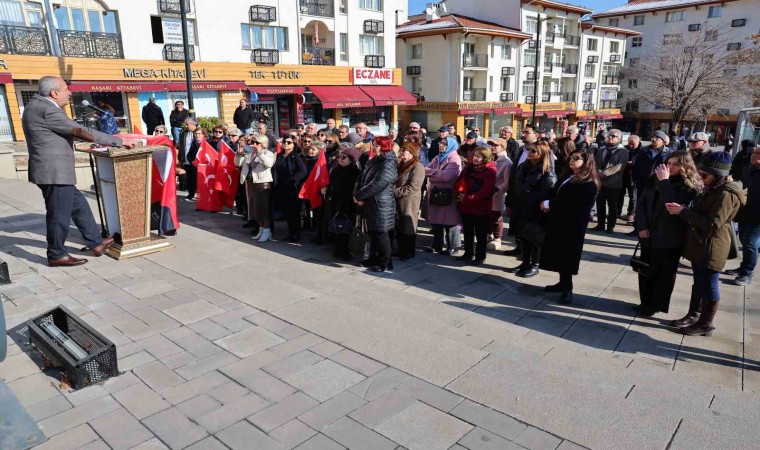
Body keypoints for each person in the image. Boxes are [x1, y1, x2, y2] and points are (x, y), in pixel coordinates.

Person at [22, 76, 138, 267]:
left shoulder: (38, 105)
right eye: (66, 89)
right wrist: (119, 141)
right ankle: (56, 253)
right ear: (54, 93)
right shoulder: (46, 109)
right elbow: (78, 130)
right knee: (59, 214)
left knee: (79, 205)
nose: (70, 93)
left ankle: (95, 242)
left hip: (54, 170)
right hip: (54, 171)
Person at [667, 151, 746, 335]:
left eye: (705, 175)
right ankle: (694, 315)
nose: (701, 178)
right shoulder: (713, 188)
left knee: (709, 285)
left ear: (719, 175)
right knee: (699, 282)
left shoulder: (727, 194)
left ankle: (706, 324)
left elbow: (713, 224)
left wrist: (683, 212)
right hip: (701, 243)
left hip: (713, 246)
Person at [634, 151, 701, 316]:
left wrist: (665, 182)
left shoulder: (689, 186)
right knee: (645, 270)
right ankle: (645, 302)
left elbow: (671, 205)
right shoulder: (654, 179)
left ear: (685, 166)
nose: (670, 167)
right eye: (668, 163)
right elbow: (641, 203)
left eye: (675, 164)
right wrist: (641, 227)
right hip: (649, 234)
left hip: (670, 237)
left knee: (663, 273)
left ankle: (657, 304)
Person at [539, 150, 600, 304]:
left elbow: (573, 204)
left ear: (586, 161)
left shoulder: (588, 182)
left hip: (572, 225)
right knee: (559, 254)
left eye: (576, 159)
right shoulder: (568, 175)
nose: (571, 161)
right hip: (559, 221)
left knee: (567, 257)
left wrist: (549, 204)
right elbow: (557, 192)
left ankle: (567, 289)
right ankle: (562, 283)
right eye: (570, 158)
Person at [504, 141, 557, 277]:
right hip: (520, 207)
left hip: (534, 211)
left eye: (534, 151)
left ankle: (535, 264)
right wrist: (509, 202)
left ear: (542, 155)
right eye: (529, 150)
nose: (530, 153)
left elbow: (548, 194)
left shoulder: (547, 173)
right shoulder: (523, 167)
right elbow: (514, 185)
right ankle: (525, 262)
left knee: (533, 239)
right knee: (522, 237)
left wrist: (541, 209)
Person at [354, 137, 398, 272]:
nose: (374, 147)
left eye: (377, 145)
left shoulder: (389, 162)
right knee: (372, 231)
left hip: (382, 203)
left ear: (385, 147)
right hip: (370, 201)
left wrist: (360, 195)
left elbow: (380, 183)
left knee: (381, 232)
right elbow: (361, 178)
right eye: (373, 145)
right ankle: (372, 258)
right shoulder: (373, 161)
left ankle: (386, 262)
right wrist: (356, 193)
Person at [455, 146, 497, 265]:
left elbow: (485, 191)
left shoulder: (490, 171)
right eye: (474, 156)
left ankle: (480, 256)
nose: (475, 158)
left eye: (479, 156)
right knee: (468, 232)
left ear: (485, 158)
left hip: (480, 207)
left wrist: (467, 198)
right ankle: (468, 253)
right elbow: (459, 180)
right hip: (466, 206)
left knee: (480, 234)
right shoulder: (468, 168)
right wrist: (458, 194)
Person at [504, 124, 540, 257]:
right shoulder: (521, 149)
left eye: (527, 132)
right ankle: (519, 248)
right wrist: (509, 200)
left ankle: (530, 258)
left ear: (536, 135)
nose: (523, 134)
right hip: (517, 194)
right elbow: (514, 174)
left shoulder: (542, 150)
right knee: (518, 225)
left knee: (529, 228)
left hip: (530, 197)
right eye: (522, 132)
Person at [425, 136, 463, 255]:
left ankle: (453, 246)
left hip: (448, 194)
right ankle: (437, 245)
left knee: (450, 221)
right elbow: (425, 169)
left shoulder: (454, 159)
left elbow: (446, 177)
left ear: (451, 146)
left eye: (444, 144)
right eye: (440, 144)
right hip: (436, 193)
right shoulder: (438, 157)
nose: (441, 146)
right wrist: (437, 172)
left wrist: (433, 174)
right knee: (436, 220)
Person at [728, 145, 760, 286]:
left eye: (758, 153)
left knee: (750, 243)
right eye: (754, 152)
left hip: (758, 217)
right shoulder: (748, 169)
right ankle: (743, 267)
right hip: (744, 212)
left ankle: (747, 273)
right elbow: (741, 185)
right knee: (743, 240)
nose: (754, 155)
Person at [237, 133, 275, 243]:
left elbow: (269, 164)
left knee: (264, 208)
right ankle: (261, 229)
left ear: (263, 144)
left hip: (262, 183)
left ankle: (267, 231)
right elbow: (238, 163)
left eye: (256, 143)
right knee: (256, 208)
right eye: (252, 142)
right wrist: (239, 154)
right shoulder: (250, 153)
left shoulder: (268, 153)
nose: (253, 145)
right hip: (250, 183)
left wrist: (259, 153)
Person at [326, 146, 362, 260]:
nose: (340, 159)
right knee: (338, 225)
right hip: (336, 202)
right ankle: (338, 248)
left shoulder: (355, 172)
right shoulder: (337, 169)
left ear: (351, 159)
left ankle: (345, 249)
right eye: (339, 157)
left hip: (348, 203)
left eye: (344, 157)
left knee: (347, 227)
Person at [593, 129, 629, 233]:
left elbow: (619, 166)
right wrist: (598, 172)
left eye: (613, 136)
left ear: (619, 138)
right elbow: (596, 163)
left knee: (612, 206)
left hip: (613, 183)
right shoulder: (601, 149)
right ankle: (600, 224)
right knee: (600, 205)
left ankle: (610, 226)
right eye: (609, 136)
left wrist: (604, 173)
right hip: (600, 182)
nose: (610, 138)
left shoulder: (623, 151)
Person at [394, 142, 425, 260]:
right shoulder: (401, 164)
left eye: (404, 150)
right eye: (401, 150)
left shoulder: (418, 167)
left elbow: (413, 186)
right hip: (399, 199)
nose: (401, 152)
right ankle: (401, 249)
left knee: (408, 226)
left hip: (409, 200)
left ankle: (408, 252)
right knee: (400, 226)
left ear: (412, 153)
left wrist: (395, 192)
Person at [274, 135, 307, 242]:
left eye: (289, 142)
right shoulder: (279, 155)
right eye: (284, 142)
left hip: (292, 188)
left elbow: (302, 171)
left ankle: (296, 234)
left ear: (294, 144)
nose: (286, 144)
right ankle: (290, 233)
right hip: (281, 187)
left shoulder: (296, 156)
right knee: (287, 212)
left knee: (294, 213)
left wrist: (292, 180)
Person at [488, 137, 512, 250]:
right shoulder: (490, 158)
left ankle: (498, 238)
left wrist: (498, 190)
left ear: (502, 147)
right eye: (491, 145)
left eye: (495, 145)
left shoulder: (507, 163)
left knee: (497, 216)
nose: (492, 147)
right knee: (487, 215)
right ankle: (489, 234)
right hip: (486, 192)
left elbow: (507, 181)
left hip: (497, 193)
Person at [226, 128, 248, 218]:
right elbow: (237, 162)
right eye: (229, 135)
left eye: (242, 140)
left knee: (246, 196)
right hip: (239, 173)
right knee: (240, 193)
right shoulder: (237, 148)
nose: (240, 142)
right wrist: (239, 154)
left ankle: (247, 214)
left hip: (249, 176)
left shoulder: (250, 151)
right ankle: (243, 212)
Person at [622, 134, 642, 226]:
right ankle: (619, 211)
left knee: (633, 197)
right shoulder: (624, 148)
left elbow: (642, 162)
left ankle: (631, 213)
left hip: (634, 176)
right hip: (623, 175)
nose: (631, 146)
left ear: (638, 142)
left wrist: (633, 163)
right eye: (629, 143)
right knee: (620, 194)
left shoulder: (643, 150)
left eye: (633, 144)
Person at [184, 128, 207, 201]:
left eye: (199, 133)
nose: (197, 135)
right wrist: (192, 161)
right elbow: (189, 155)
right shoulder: (194, 143)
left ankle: (203, 197)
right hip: (194, 165)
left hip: (204, 167)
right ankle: (191, 194)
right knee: (191, 179)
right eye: (196, 133)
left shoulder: (207, 143)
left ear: (203, 134)